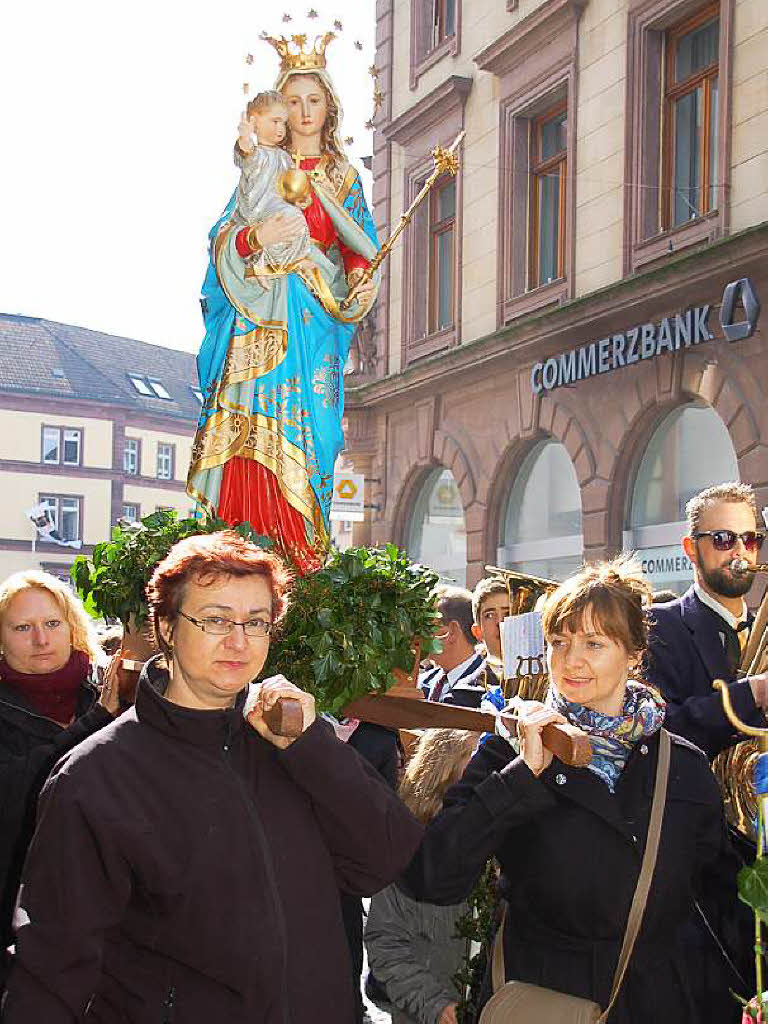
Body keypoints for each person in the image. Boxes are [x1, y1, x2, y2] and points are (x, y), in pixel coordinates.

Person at [1, 532, 423, 1022]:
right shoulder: (98, 776)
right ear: (166, 626)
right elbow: (51, 973)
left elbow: (389, 857)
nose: (239, 641)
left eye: (257, 622)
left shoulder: (293, 745)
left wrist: (313, 749)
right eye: (216, 619)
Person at [404, 558, 742, 1022]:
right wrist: (523, 776)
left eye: (594, 643)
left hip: (658, 1001)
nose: (571, 660)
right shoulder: (511, 752)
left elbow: (724, 901)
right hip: (544, 1000)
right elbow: (432, 876)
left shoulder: (683, 765)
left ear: (635, 654)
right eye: (558, 642)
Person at [188, 32, 380, 573]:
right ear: (274, 109)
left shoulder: (343, 178)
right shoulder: (260, 169)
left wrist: (362, 282)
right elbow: (225, 239)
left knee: (313, 431)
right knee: (251, 418)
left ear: (330, 107)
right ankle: (245, 552)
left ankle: (301, 557)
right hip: (259, 312)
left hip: (314, 317)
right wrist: (256, 239)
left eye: (313, 100)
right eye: (291, 101)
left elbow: (358, 244)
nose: (302, 111)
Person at [0, 571, 120, 985]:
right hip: (18, 921)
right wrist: (93, 724)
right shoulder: (101, 707)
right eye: (22, 628)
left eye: (52, 623)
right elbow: (19, 788)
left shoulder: (105, 690)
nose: (41, 639)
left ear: (72, 626)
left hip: (109, 914)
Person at [647, 483, 768, 759]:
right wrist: (753, 694)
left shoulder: (763, 633)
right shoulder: (658, 625)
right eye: (723, 539)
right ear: (691, 549)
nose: (740, 552)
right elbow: (660, 728)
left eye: (750, 540)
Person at [365, 728, 477, 1024]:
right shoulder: (407, 851)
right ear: (443, 777)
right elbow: (385, 943)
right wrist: (436, 1007)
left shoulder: (493, 847)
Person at [232, 90, 310, 276]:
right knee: (289, 219)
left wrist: (299, 199)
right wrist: (244, 138)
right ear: (255, 121)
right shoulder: (257, 154)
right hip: (259, 206)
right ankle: (264, 263)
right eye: (275, 121)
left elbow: (290, 185)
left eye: (283, 123)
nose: (280, 128)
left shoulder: (284, 157)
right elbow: (245, 155)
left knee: (299, 222)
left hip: (280, 205)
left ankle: (290, 262)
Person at [419, 586, 487, 708]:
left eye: (428, 626)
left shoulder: (486, 684)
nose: (419, 634)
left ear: (453, 630)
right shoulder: (422, 682)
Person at [471, 577, 511, 687]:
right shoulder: (465, 692)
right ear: (477, 631)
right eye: (489, 615)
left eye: (508, 613)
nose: (500, 622)